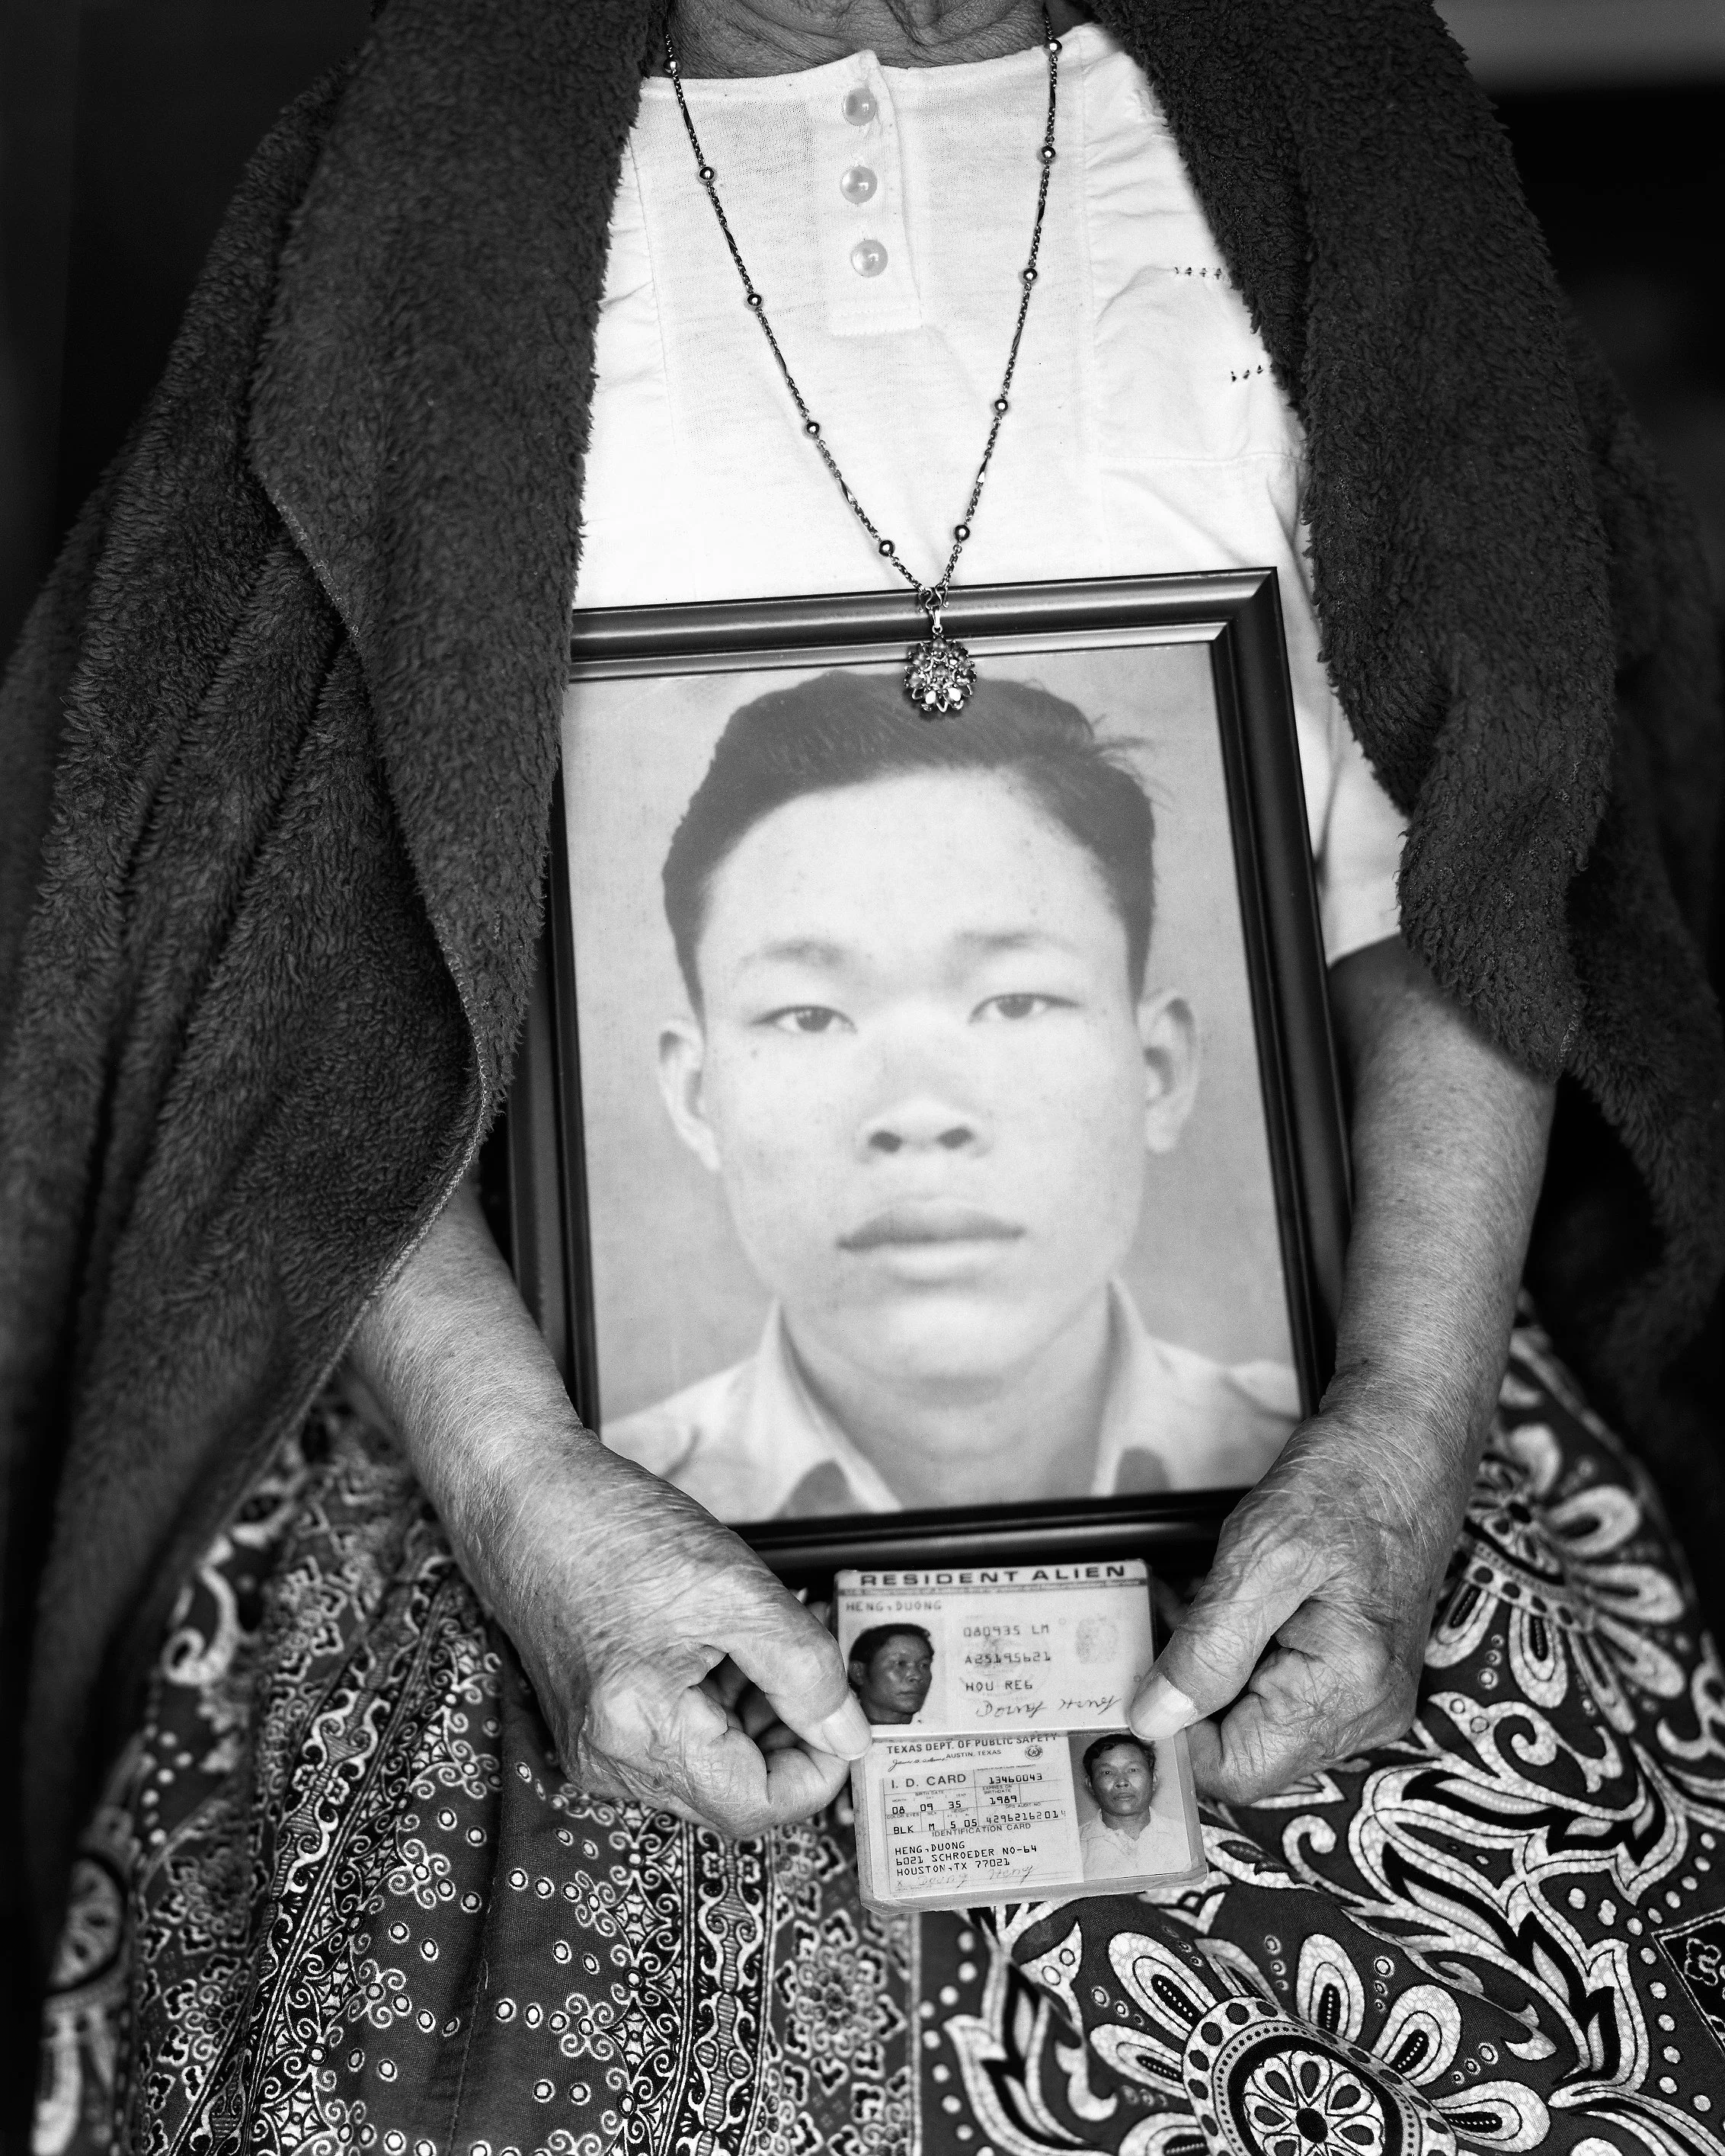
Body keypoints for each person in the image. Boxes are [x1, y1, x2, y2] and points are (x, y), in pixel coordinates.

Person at [4, 0, 1722, 2142]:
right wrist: (529, 1500)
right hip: (530, 1437)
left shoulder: (1336, 112)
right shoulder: (435, 172)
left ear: (1155, 1053)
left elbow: (1473, 864)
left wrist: (1404, 1433)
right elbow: (282, 972)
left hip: (1340, 1412)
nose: (924, 1097)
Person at [604, 670, 1299, 1518]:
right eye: (809, 1015)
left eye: (1013, 1003)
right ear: (695, 1092)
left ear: (1156, 1069)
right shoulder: (588, 1507)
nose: (920, 1114)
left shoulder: (1332, 1462)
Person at [1075, 1732, 1189, 1879]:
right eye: (1107, 1772)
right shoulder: (1073, 1849)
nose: (1122, 1782)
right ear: (1090, 1785)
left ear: (1153, 1779)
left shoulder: (1186, 1839)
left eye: (1132, 1770)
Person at [847, 1623, 936, 1724]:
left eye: (924, 1665)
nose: (917, 1676)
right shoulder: (836, 1733)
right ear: (859, 1672)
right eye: (900, 1663)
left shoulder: (940, 1730)